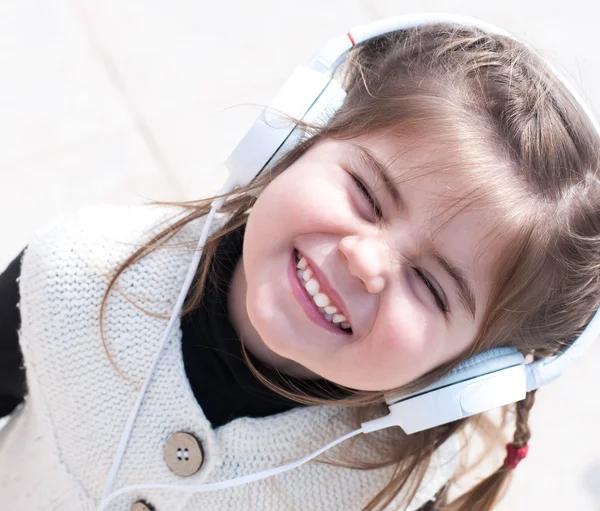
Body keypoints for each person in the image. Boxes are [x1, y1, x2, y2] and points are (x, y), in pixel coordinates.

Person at [1, 18, 599, 511]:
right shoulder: (75, 273)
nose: (365, 259)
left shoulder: (395, 486)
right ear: (292, 142)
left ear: (468, 374)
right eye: (367, 195)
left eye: (430, 284)